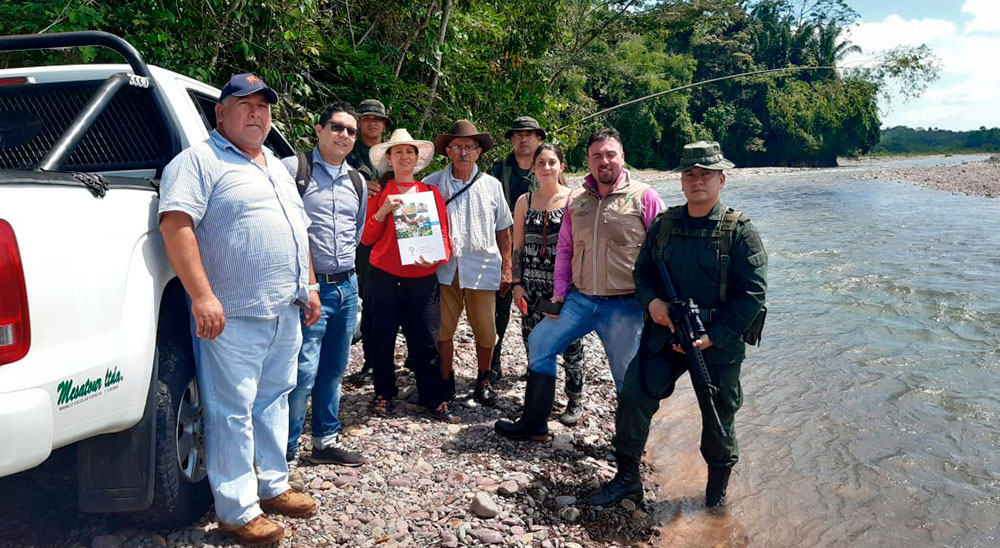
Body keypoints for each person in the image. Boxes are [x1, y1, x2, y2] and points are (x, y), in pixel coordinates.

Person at [158, 73, 317, 546]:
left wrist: (309, 285)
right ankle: (237, 510)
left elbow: (298, 229)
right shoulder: (198, 162)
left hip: (283, 308)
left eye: (263, 106)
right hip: (231, 313)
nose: (255, 113)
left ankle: (273, 485)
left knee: (273, 399)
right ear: (220, 113)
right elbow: (176, 226)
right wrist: (202, 296)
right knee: (231, 410)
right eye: (244, 105)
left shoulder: (276, 167)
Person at [584, 141, 767, 508]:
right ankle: (626, 478)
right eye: (690, 175)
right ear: (682, 181)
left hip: (717, 342)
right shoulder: (664, 225)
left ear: (721, 180)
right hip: (665, 334)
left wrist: (714, 336)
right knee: (634, 396)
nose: (697, 181)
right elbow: (642, 273)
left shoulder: (740, 231)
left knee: (718, 416)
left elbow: (752, 295)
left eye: (705, 175)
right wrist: (653, 303)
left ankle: (715, 499)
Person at [494, 127, 664, 441]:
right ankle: (534, 423)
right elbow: (565, 250)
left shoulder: (645, 196)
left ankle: (629, 445)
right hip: (581, 299)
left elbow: (664, 252)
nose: (604, 161)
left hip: (625, 304)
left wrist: (656, 301)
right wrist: (559, 295)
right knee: (540, 341)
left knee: (626, 374)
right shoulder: (579, 202)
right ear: (587, 160)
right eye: (597, 155)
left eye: (610, 154)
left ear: (622, 156)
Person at [282, 101, 366, 472]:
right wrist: (308, 284)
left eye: (351, 130)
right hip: (308, 290)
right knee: (302, 372)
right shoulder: (292, 170)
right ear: (319, 129)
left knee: (334, 368)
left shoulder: (357, 181)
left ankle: (325, 440)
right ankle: (284, 451)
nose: (343, 135)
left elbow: (356, 233)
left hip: (347, 286)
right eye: (336, 127)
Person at [360, 128, 459, 423]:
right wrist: (382, 212)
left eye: (409, 152)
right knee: (382, 339)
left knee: (426, 340)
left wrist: (438, 256)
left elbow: (443, 233)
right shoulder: (379, 193)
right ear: (389, 159)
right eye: (398, 151)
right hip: (384, 277)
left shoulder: (430, 193)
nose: (404, 156)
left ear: (417, 160)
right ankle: (383, 393)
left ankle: (433, 397)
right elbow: (366, 238)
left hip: (422, 277)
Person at [424, 119, 513, 405]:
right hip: (444, 267)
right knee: (443, 329)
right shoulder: (431, 184)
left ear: (478, 152)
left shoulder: (492, 186)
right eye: (457, 147)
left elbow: (504, 229)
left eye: (470, 147)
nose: (463, 152)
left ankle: (484, 379)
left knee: (486, 329)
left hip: (482, 266)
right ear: (448, 151)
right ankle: (446, 380)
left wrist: (507, 267)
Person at [508, 143, 588, 426]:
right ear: (533, 167)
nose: (546, 167)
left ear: (561, 166)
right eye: (541, 162)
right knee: (535, 344)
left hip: (565, 287)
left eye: (552, 162)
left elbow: (582, 245)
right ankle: (540, 401)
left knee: (572, 345)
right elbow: (517, 247)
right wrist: (516, 283)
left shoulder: (575, 199)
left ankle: (575, 399)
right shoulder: (524, 201)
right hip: (531, 286)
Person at [486, 116, 543, 381]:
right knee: (499, 309)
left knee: (535, 310)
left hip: (539, 252)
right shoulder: (498, 170)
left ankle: (536, 365)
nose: (523, 139)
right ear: (512, 140)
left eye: (529, 134)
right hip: (503, 248)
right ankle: (493, 363)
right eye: (518, 135)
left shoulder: (547, 167)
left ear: (538, 139)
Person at [347, 99, 390, 383]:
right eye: (367, 119)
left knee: (391, 298)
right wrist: (361, 186)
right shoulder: (348, 151)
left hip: (392, 234)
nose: (372, 123)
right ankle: (370, 360)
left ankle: (395, 358)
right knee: (367, 295)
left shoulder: (394, 152)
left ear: (384, 124)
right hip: (359, 234)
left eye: (378, 119)